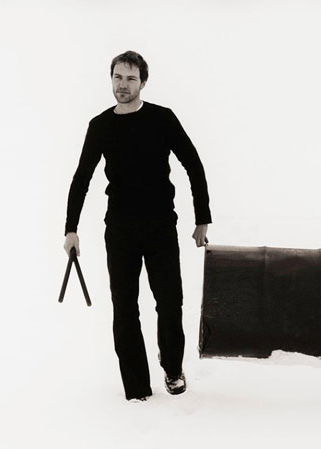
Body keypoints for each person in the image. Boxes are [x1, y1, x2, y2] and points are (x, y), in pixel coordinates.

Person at [63, 50, 212, 401]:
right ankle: (136, 388)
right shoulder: (100, 126)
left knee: (169, 301)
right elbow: (81, 178)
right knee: (125, 307)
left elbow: (193, 164)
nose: (123, 84)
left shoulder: (162, 119)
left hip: (160, 225)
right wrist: (71, 229)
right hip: (120, 229)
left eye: (131, 78)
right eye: (118, 77)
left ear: (143, 82)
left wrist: (202, 218)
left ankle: (172, 368)